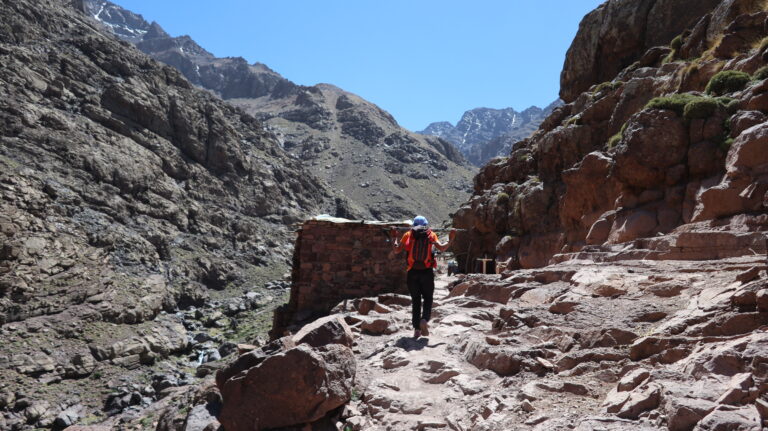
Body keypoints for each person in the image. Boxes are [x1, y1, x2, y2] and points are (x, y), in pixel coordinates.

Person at [391, 216, 455, 338]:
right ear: (426, 224)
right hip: (427, 272)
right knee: (428, 298)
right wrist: (451, 238)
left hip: (412, 272)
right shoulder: (431, 234)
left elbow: (396, 250)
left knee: (416, 300)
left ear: (413, 224)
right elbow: (442, 247)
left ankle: (416, 329)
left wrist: (394, 236)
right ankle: (424, 319)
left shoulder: (408, 234)